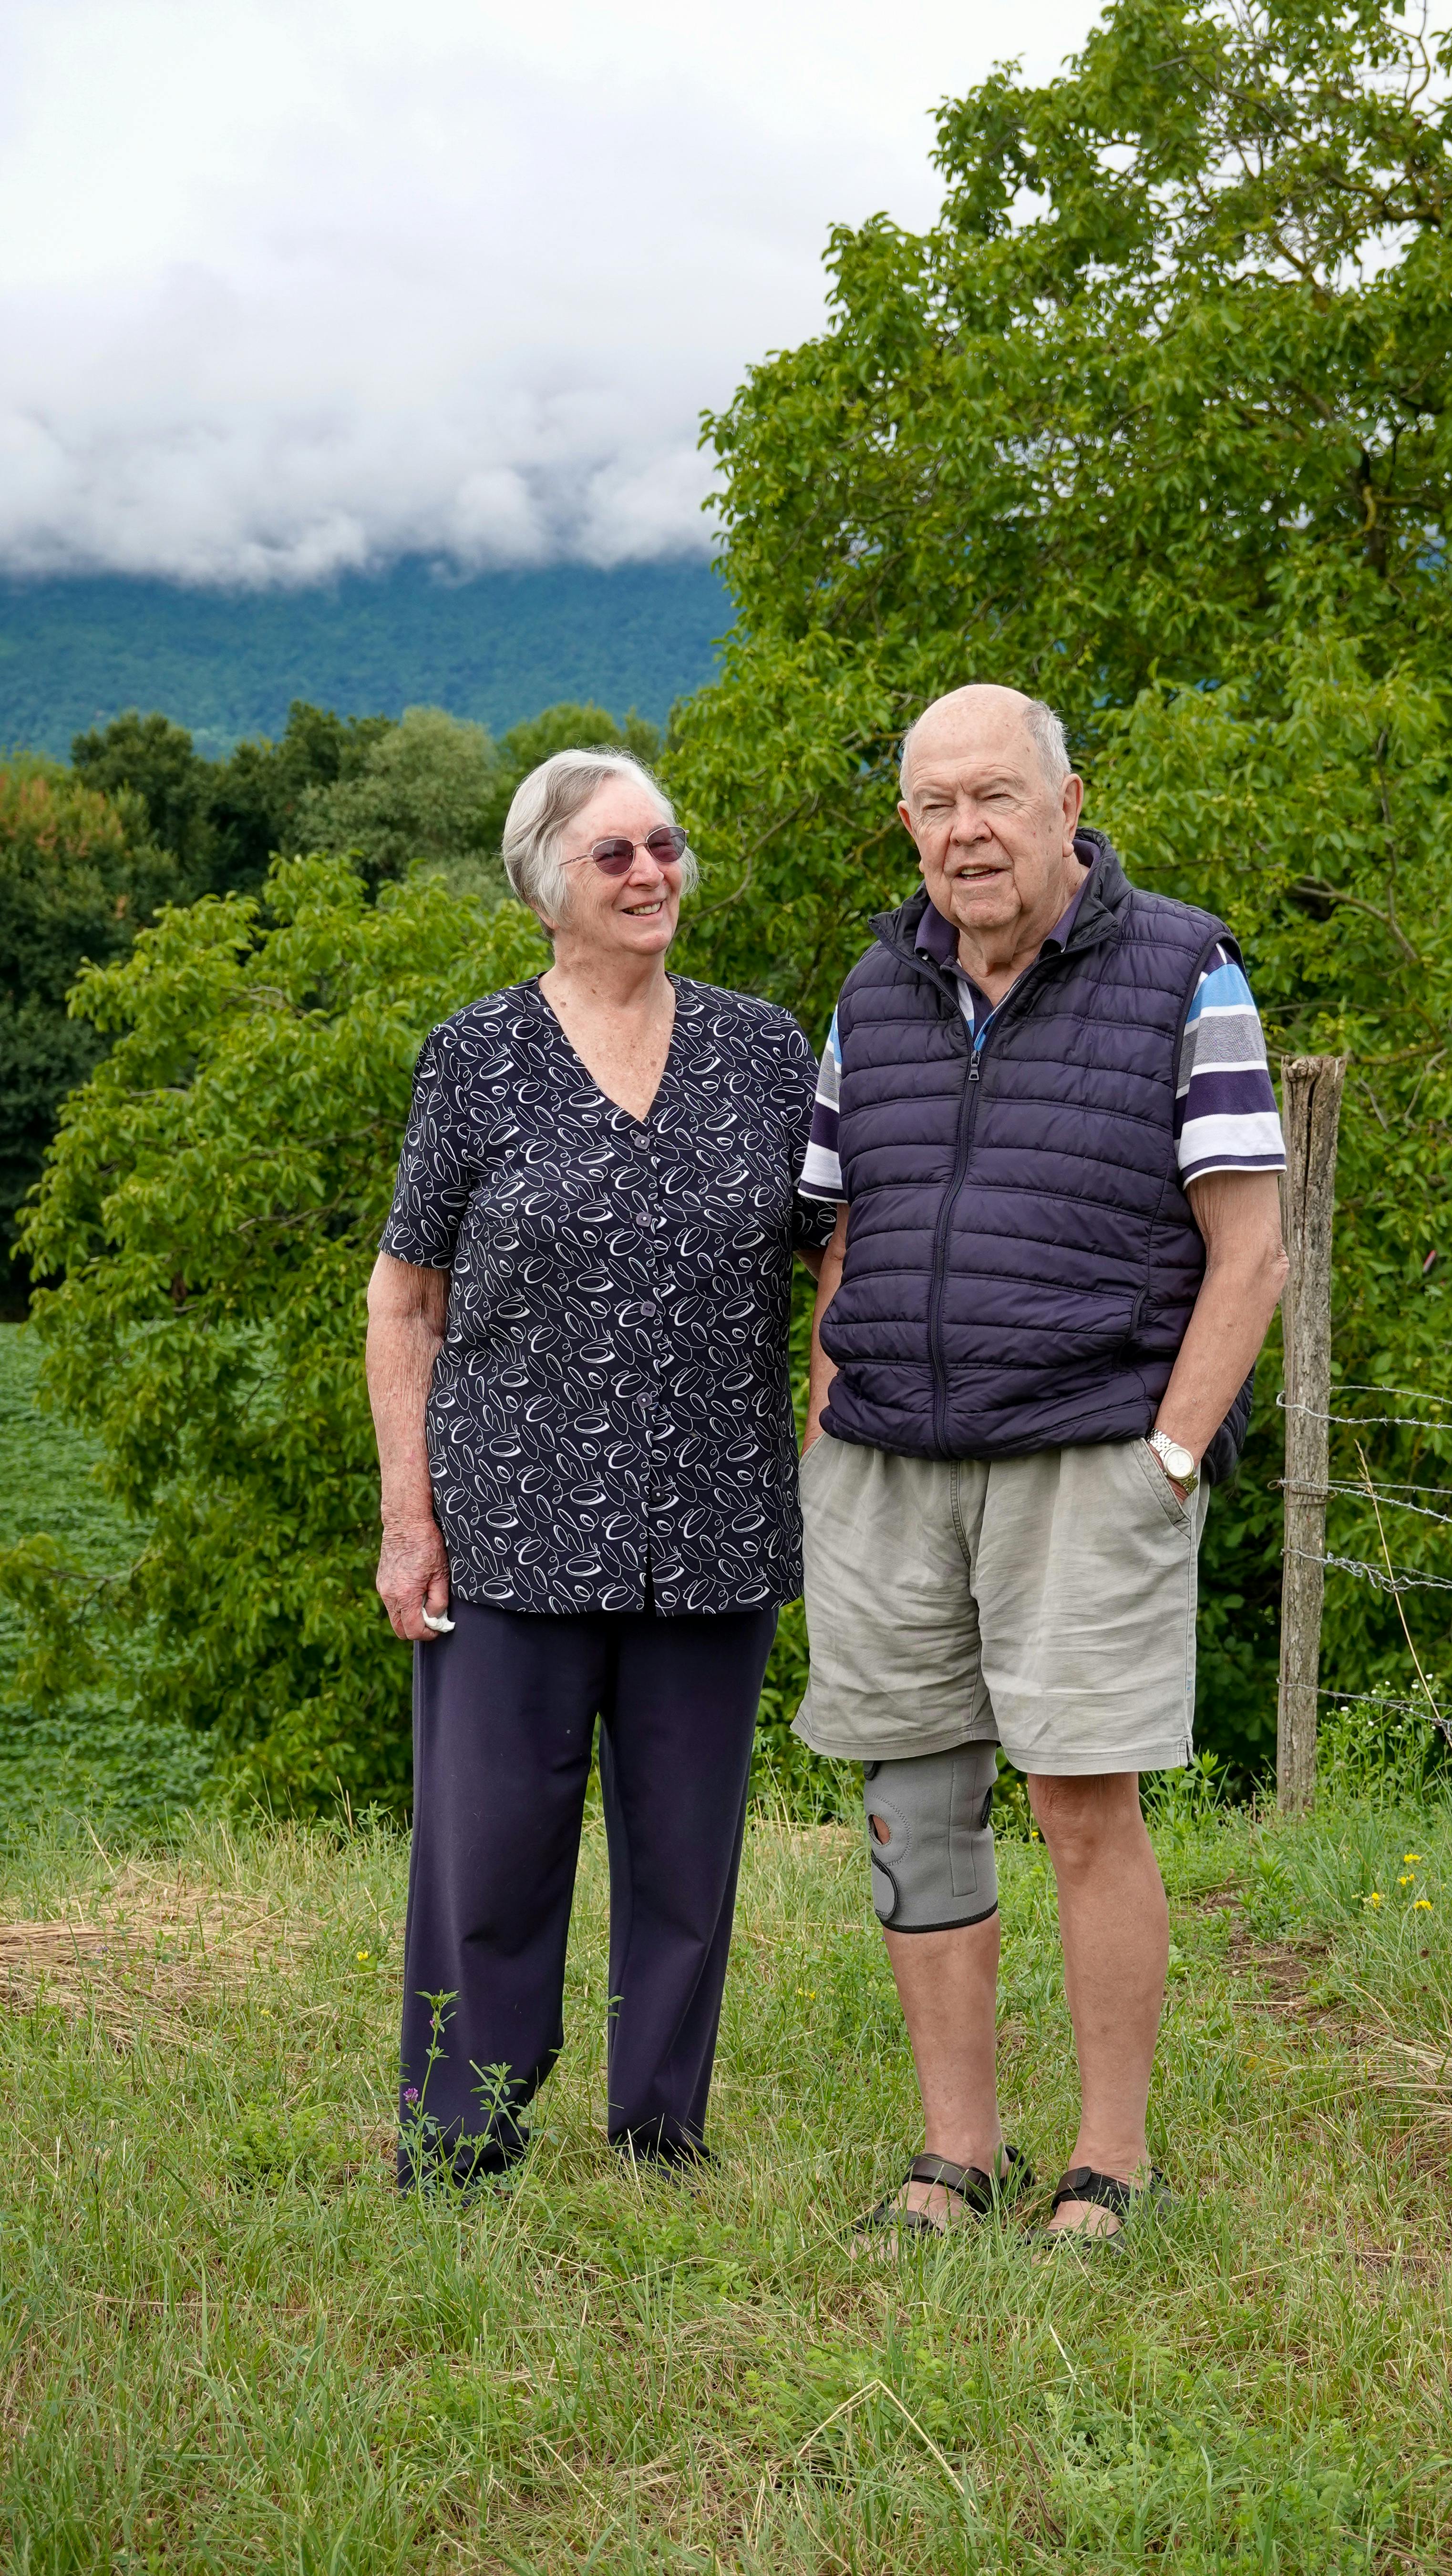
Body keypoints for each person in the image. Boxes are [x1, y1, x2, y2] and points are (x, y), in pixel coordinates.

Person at [794, 683, 1289, 2241]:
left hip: (1091, 1454)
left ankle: (1110, 2162)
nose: (966, 830)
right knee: (913, 1805)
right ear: (908, 829)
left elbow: (1254, 1248)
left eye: (996, 796)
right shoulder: (873, 990)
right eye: (936, 805)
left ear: (1072, 805)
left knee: (1084, 1804)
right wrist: (824, 1425)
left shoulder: (1185, 968)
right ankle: (955, 2153)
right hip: (888, 1463)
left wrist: (1171, 1456)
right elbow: (842, 1230)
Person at [366, 747, 832, 2188]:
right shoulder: (478, 1053)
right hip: (510, 1520)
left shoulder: (766, 1050)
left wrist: (816, 1450)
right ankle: (462, 2137)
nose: (653, 873)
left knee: (687, 1861)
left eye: (667, 845)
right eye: (617, 853)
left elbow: (839, 1262)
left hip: (717, 1519)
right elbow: (406, 1297)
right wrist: (407, 1517)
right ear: (544, 883)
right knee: (489, 1850)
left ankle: (660, 2132)